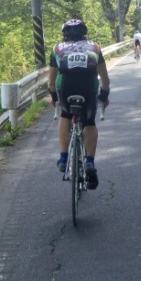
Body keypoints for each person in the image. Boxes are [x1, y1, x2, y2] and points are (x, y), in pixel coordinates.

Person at [48, 19, 110, 190]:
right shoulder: (94, 47)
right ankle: (89, 162)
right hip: (88, 88)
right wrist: (104, 96)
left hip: (65, 87)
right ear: (85, 32)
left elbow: (51, 83)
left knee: (65, 115)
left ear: (64, 34)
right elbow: (105, 79)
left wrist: (54, 97)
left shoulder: (57, 48)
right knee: (89, 122)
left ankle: (62, 157)